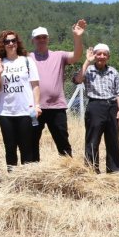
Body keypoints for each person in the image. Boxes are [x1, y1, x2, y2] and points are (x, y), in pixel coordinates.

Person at [29, 20, 86, 159]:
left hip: (57, 107)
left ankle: (67, 168)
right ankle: (33, 170)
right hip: (35, 108)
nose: (41, 40)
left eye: (44, 37)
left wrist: (77, 37)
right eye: (38, 37)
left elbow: (77, 55)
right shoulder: (27, 58)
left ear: (48, 39)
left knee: (62, 140)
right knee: (31, 141)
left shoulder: (59, 55)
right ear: (33, 40)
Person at [73, 44, 119, 173]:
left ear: (108, 56)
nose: (101, 56)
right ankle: (91, 170)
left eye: (104, 54)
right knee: (93, 139)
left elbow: (118, 92)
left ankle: (114, 171)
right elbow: (78, 80)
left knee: (113, 139)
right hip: (95, 106)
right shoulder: (89, 70)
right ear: (95, 55)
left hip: (112, 107)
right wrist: (87, 61)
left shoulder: (113, 71)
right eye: (99, 53)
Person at [0, 30, 41, 169]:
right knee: (10, 148)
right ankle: (12, 179)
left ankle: (26, 180)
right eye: (7, 41)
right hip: (6, 112)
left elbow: (35, 86)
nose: (11, 44)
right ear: (2, 44)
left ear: (17, 42)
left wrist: (37, 105)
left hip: (26, 111)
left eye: (13, 40)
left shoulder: (27, 61)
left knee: (27, 147)